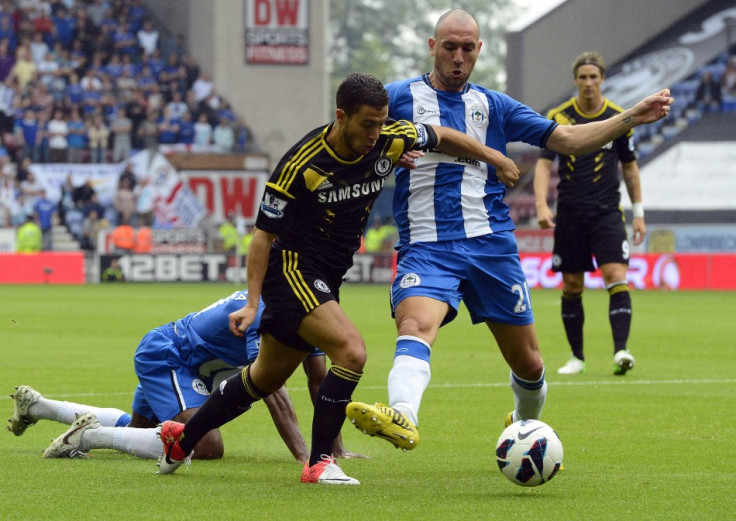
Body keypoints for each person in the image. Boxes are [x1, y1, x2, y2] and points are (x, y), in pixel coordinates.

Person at [154, 72, 524, 485]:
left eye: (382, 123)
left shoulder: (388, 140)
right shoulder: (301, 164)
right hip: (292, 268)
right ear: (341, 116)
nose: (376, 133)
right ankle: (320, 462)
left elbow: (442, 135)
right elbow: (262, 237)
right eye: (367, 124)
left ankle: (181, 440)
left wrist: (496, 157)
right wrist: (253, 302)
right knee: (352, 352)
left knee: (265, 377)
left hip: (328, 275)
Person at [345, 10, 672, 451]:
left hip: (491, 246)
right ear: (431, 46)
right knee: (416, 325)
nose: (458, 57)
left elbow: (570, 140)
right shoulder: (398, 98)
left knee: (531, 364)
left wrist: (630, 116)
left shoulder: (495, 106)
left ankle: (522, 426)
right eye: (449, 47)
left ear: (479, 50)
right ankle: (403, 414)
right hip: (426, 245)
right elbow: (351, 138)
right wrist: (378, 157)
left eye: (467, 48)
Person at [8, 290, 357, 464]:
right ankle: (86, 437)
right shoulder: (268, 309)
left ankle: (38, 407)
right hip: (169, 355)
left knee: (138, 433)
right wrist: (304, 457)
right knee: (205, 446)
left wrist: (333, 447)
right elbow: (271, 386)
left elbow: (319, 381)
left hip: (191, 364)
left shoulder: (308, 311)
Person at [533, 51, 645, 376]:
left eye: (594, 77)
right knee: (571, 284)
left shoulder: (619, 118)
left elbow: (630, 168)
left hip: (607, 212)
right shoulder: (559, 116)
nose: (588, 83)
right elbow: (543, 165)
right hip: (570, 212)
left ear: (602, 79)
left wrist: (638, 212)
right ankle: (577, 357)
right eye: (583, 77)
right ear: (576, 81)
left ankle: (621, 351)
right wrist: (541, 204)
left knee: (615, 276)